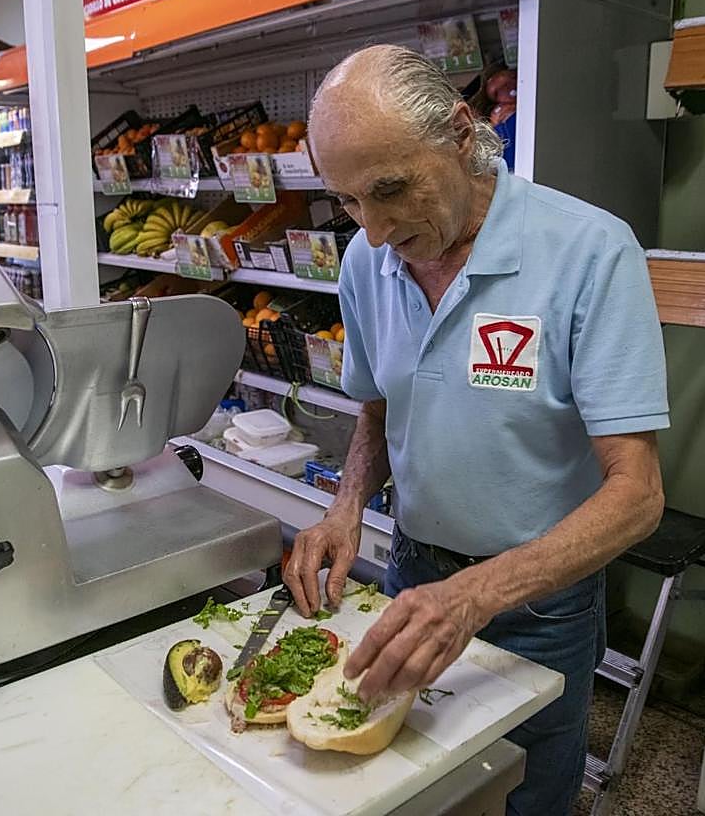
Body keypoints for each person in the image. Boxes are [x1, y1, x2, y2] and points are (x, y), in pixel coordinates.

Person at [283, 45, 668, 816]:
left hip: (537, 604)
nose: (377, 228)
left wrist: (474, 595)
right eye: (349, 201)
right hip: (413, 574)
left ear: (462, 134)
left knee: (524, 790)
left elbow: (638, 495)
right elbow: (380, 407)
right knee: (417, 789)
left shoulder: (588, 251)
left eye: (390, 189)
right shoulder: (366, 260)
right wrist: (346, 506)